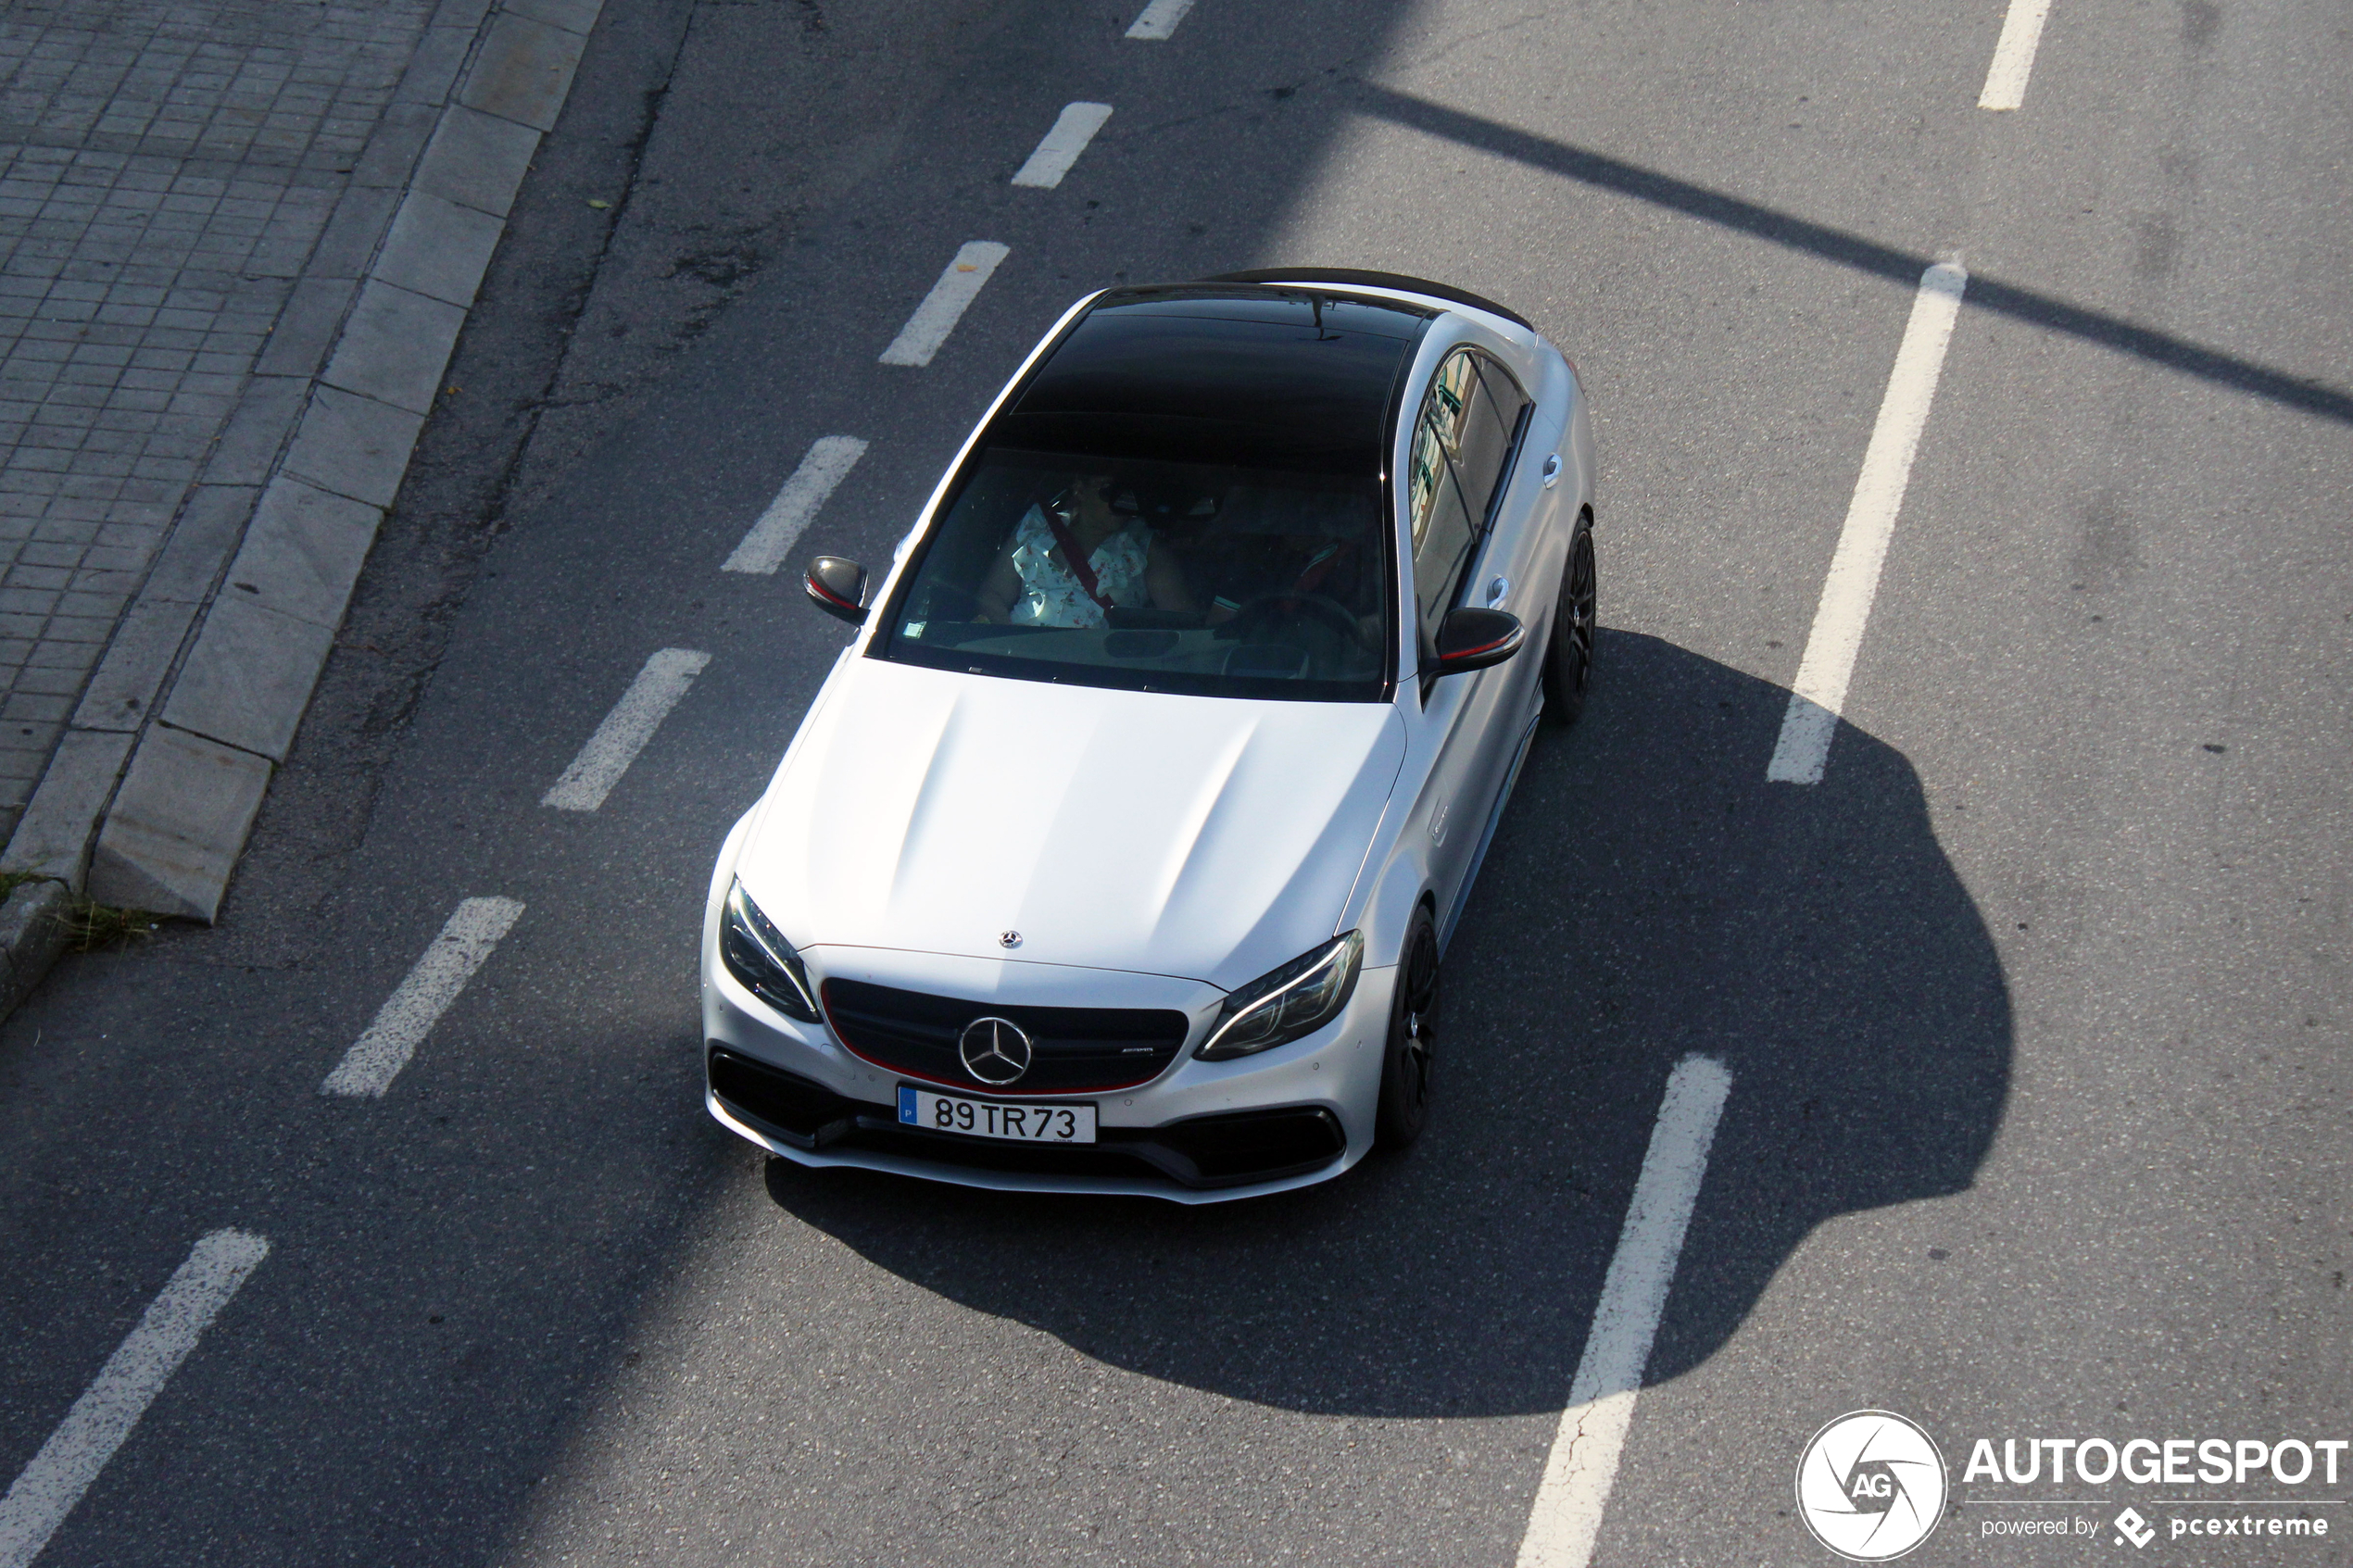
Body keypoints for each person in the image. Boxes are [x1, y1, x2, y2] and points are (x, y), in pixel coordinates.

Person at [975, 474, 1197, 627]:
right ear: (1081, 489)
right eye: (1110, 491)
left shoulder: (1145, 547)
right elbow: (992, 595)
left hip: (1097, 677)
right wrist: (1010, 649)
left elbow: (1182, 622)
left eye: (1130, 493)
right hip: (1016, 669)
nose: (1122, 501)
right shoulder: (1036, 527)